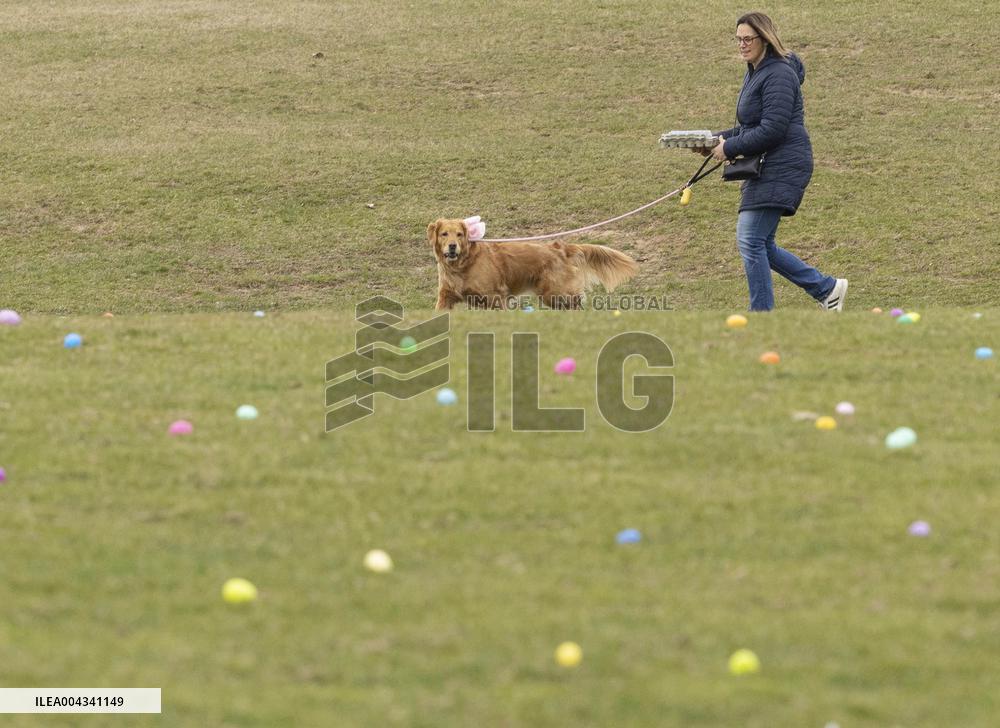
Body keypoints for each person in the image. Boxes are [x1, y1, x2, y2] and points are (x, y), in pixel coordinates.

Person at [701, 12, 847, 312]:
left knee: (750, 238)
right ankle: (827, 288)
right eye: (738, 39)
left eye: (748, 39)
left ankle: (762, 316)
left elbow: (773, 129)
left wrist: (730, 148)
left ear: (765, 39)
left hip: (784, 163)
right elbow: (751, 126)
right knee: (761, 242)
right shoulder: (756, 71)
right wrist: (713, 140)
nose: (742, 45)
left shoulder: (778, 73)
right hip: (769, 163)